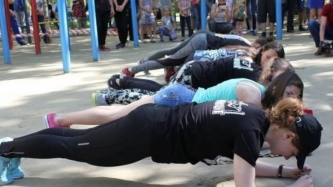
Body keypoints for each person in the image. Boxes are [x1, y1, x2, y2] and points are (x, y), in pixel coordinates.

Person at [0, 97, 323, 187]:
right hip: (145, 133)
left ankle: (9, 150)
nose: (291, 158)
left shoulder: (254, 117)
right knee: (75, 147)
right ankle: (2, 148)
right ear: (289, 134)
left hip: (150, 123)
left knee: (76, 142)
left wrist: (281, 174)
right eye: (294, 153)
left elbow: (244, 166)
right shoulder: (251, 133)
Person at [45, 71, 303, 127]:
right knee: (117, 116)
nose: (291, 100)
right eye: (289, 94)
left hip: (182, 97)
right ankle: (60, 120)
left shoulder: (258, 92)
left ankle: (60, 120)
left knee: (120, 115)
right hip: (180, 99)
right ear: (278, 87)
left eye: (296, 98)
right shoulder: (253, 96)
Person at [101, 56, 294, 106]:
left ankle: (120, 85)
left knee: (160, 93)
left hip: (197, 71)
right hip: (196, 75)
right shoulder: (257, 79)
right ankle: (116, 90)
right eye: (283, 75)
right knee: (158, 95)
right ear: (272, 70)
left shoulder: (257, 71)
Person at [121, 40, 285, 80]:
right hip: (200, 54)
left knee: (172, 57)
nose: (269, 61)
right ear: (262, 49)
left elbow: (223, 50)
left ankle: (171, 70)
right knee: (170, 59)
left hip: (201, 55)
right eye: (268, 57)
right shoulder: (249, 56)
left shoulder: (249, 49)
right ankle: (131, 71)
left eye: (273, 60)